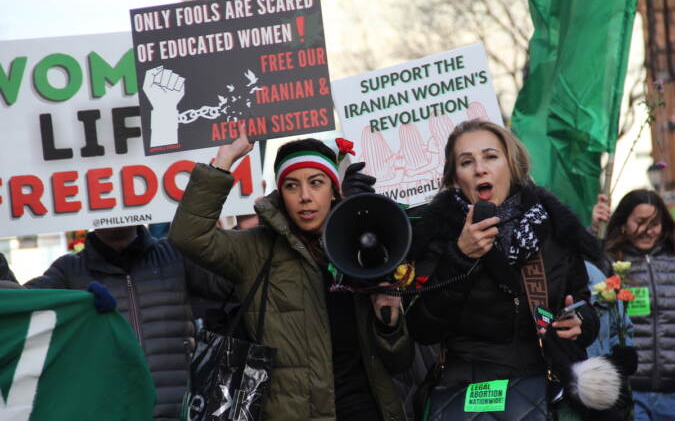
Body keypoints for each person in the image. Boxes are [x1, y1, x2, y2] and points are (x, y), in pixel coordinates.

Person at [169, 124, 412, 421]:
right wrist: (224, 161)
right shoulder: (256, 250)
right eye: (291, 185)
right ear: (280, 194)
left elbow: (398, 360)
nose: (305, 196)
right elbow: (187, 236)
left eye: (316, 182)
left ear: (335, 191)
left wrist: (389, 324)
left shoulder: (365, 249)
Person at [407, 119, 607, 418]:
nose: (480, 169)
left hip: (545, 390)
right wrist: (460, 256)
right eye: (466, 162)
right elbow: (422, 328)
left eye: (490, 156)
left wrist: (581, 321)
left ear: (512, 165)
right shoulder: (436, 238)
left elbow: (582, 303)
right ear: (454, 179)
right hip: (467, 395)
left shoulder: (555, 230)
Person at [24, 225, 232, 421]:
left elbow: (233, 283)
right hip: (111, 413)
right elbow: (17, 308)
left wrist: (247, 234)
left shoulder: (175, 255)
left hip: (182, 411)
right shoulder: (69, 271)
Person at [592, 189, 675, 421]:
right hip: (630, 388)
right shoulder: (609, 260)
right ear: (623, 223)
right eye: (640, 222)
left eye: (655, 223)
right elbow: (583, 278)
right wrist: (594, 229)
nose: (648, 230)